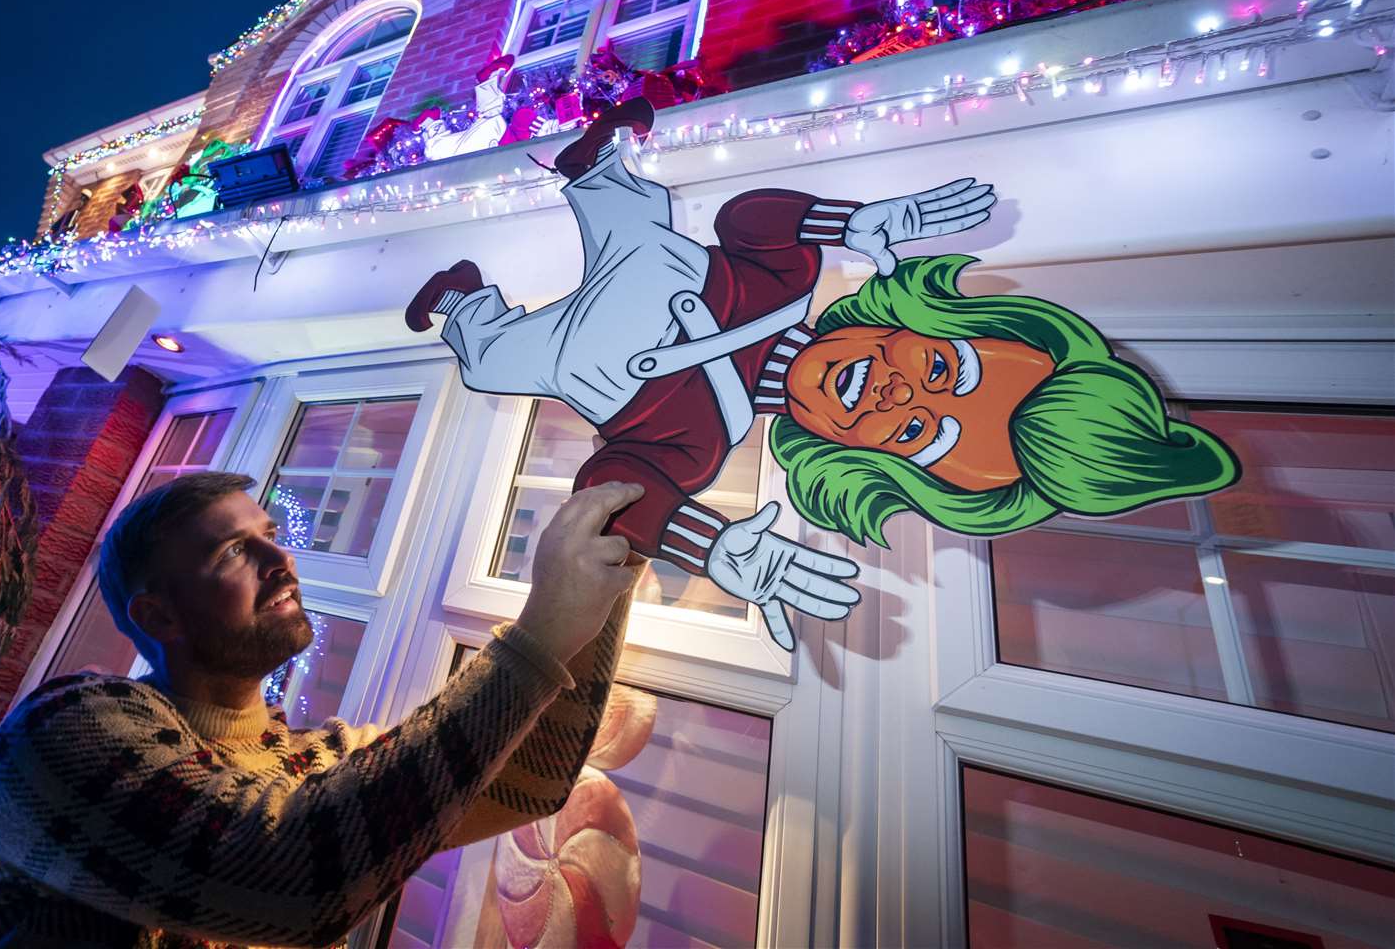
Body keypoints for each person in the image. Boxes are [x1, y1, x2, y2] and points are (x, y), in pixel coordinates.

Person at [408, 99, 1237, 651]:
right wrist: (854, 221)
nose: (897, 395)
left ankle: (465, 306)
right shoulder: (782, 284)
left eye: (919, 431)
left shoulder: (696, 444)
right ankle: (593, 165)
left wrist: (712, 545)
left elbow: (615, 480)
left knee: (494, 362)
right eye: (941, 366)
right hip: (654, 267)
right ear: (925, 321)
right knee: (629, 210)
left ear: (874, 463)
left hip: (567, 358)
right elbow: (745, 218)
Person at [0, 471, 646, 948]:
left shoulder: (316, 760)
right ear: (158, 615)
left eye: (269, 532)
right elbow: (303, 875)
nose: (280, 558)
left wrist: (615, 556)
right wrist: (541, 631)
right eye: (233, 551)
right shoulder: (61, 734)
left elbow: (528, 781)